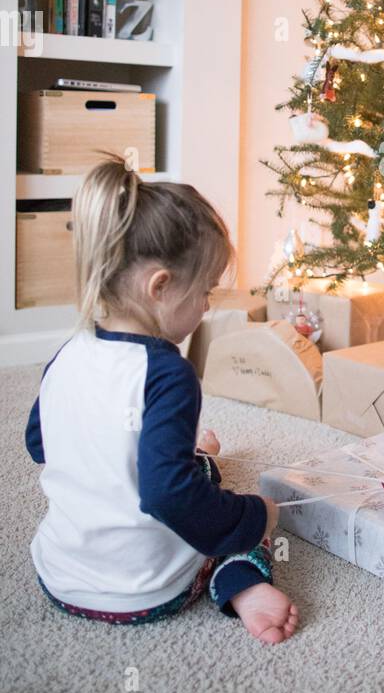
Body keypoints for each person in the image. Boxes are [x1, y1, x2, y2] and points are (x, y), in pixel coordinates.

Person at [25, 152, 299, 645]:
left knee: (186, 468)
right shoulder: (169, 373)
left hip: (60, 578)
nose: (207, 307)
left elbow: (40, 444)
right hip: (145, 592)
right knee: (232, 516)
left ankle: (196, 461)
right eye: (205, 294)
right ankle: (241, 584)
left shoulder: (69, 352)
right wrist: (257, 514)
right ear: (160, 287)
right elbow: (169, 497)